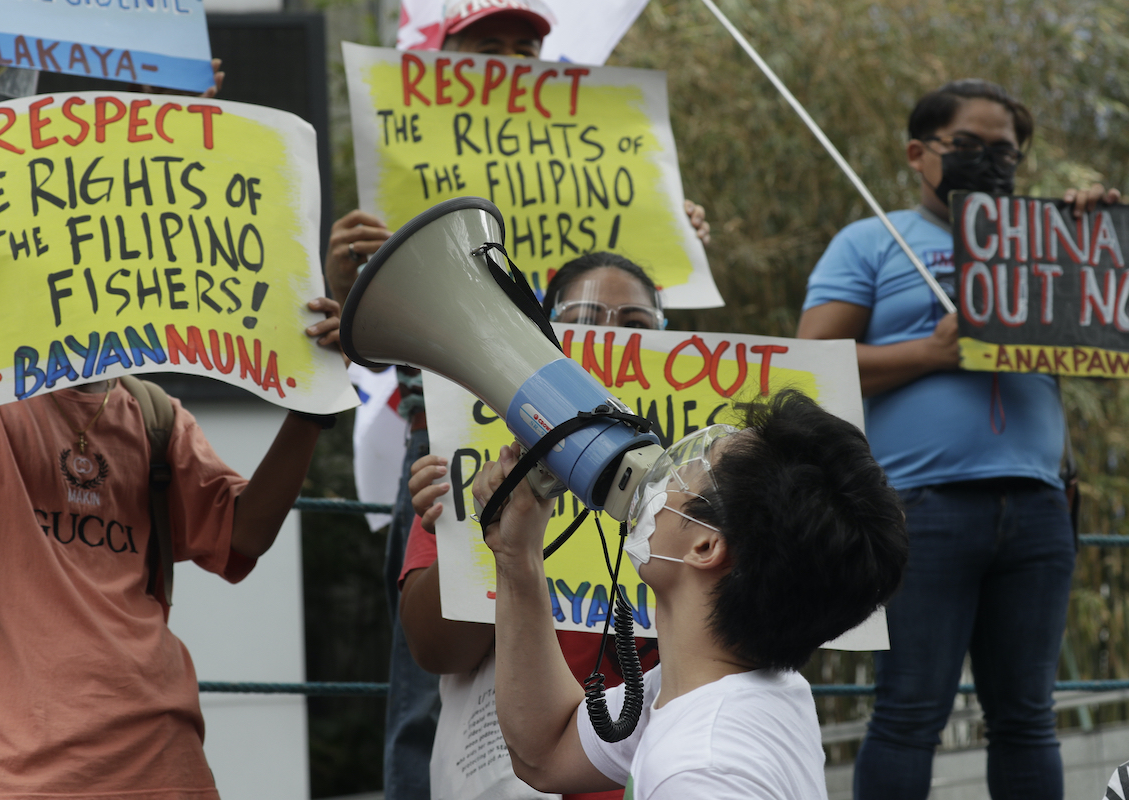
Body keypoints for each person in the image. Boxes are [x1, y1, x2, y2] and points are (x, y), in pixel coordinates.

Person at [334, 5, 710, 798]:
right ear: (443, 60)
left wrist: (670, 241)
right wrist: (350, 281)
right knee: (430, 689)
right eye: (488, 47)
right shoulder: (409, 157)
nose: (512, 62)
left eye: (526, 48)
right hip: (459, 423)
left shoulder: (591, 157)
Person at [796, 78, 1121, 800]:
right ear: (919, 153)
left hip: (1040, 509)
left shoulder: (1051, 242)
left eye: (1005, 151)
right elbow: (810, 367)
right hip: (920, 509)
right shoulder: (873, 241)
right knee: (910, 711)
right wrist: (932, 354)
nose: (990, 162)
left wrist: (1099, 232)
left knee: (1027, 718)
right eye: (967, 146)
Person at [0, 274, 345, 799]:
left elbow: (244, 534)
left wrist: (314, 408)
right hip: (17, 759)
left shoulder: (157, 419)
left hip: (161, 751)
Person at [471, 389, 907, 798]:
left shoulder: (702, 772)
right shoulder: (737, 686)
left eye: (692, 468)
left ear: (706, 546)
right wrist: (516, 554)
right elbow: (546, 750)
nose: (661, 475)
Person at [401, 252, 666, 800]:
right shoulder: (473, 456)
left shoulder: (694, 481)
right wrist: (475, 537)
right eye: (586, 319)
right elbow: (434, 650)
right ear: (547, 333)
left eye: (637, 325)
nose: (611, 338)